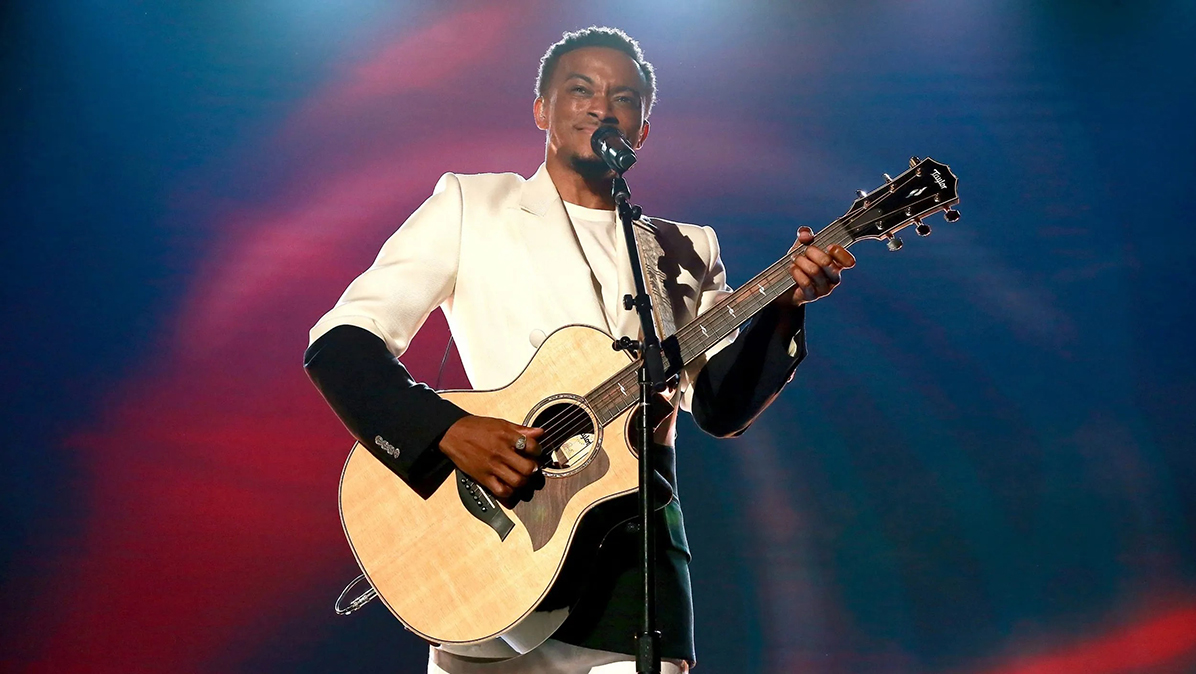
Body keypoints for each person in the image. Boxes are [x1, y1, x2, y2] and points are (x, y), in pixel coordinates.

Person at [303, 26, 854, 674]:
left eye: (623, 97)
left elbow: (720, 407)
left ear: (643, 128)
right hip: (489, 548)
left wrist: (783, 309)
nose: (601, 107)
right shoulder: (473, 206)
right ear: (542, 109)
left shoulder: (685, 248)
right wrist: (446, 430)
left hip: (629, 568)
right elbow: (340, 342)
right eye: (581, 90)